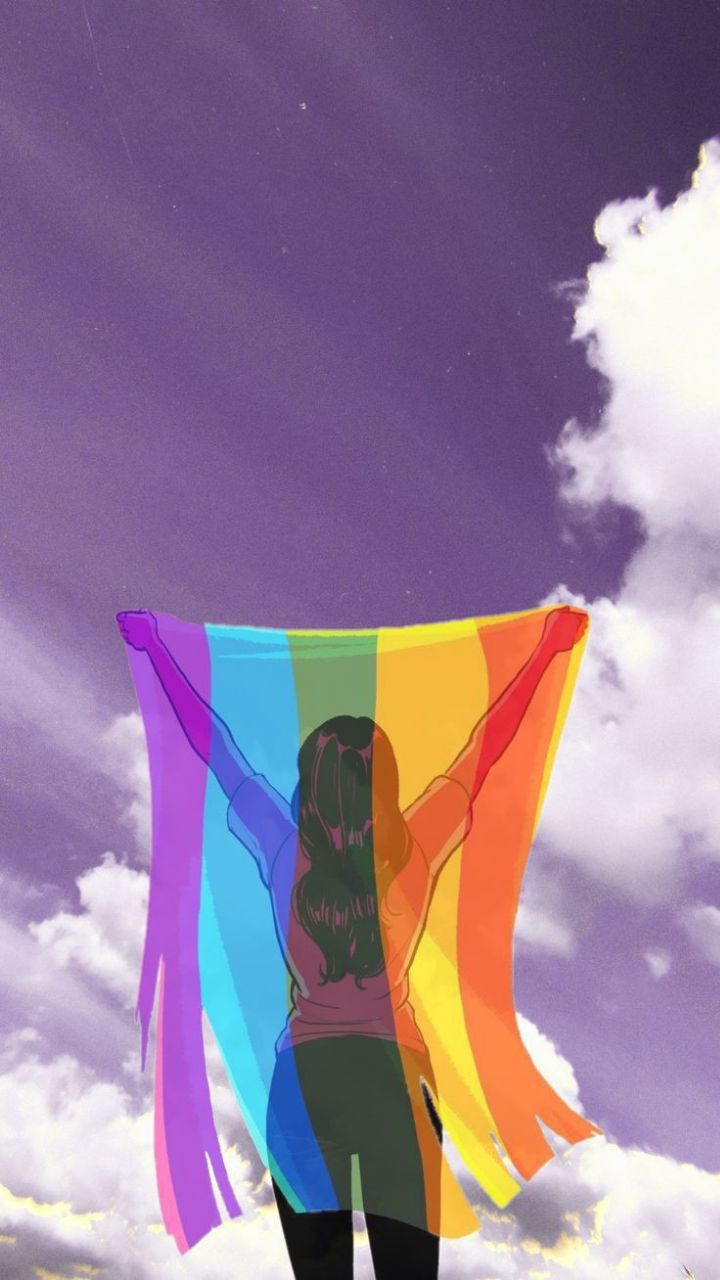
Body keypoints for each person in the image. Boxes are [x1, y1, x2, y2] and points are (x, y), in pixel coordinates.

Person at [117, 605, 587, 1280]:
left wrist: (159, 654)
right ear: (385, 786)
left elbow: (216, 748)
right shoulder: (416, 846)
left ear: (309, 788)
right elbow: (485, 747)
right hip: (394, 1080)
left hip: (305, 1084)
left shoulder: (282, 848)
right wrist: (543, 654)